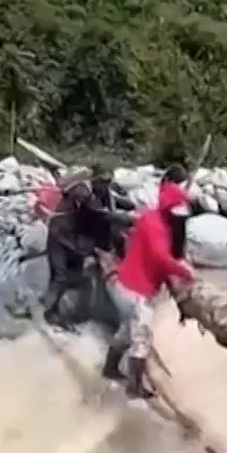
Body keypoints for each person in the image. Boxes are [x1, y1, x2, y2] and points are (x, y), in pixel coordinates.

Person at [104, 200, 196, 398]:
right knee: (141, 341)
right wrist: (186, 273)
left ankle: (109, 369)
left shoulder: (150, 219)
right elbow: (161, 258)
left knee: (126, 331)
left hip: (124, 285)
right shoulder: (160, 232)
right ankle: (134, 388)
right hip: (137, 291)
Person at [40, 167, 120, 328]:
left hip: (74, 241)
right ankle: (47, 313)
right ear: (95, 180)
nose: (105, 186)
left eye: (108, 183)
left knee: (77, 277)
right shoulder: (83, 193)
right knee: (60, 277)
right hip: (59, 237)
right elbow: (101, 215)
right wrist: (131, 219)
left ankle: (68, 315)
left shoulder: (100, 194)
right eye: (103, 182)